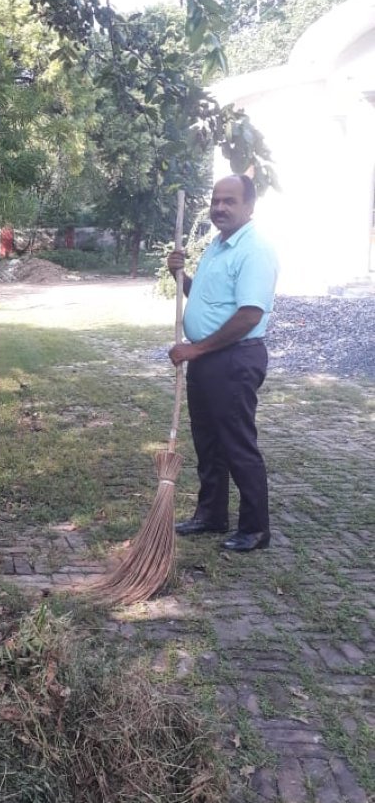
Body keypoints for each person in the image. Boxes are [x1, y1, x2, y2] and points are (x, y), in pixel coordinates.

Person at [167, 174, 279, 553]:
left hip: (233, 359)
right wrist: (181, 278)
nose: (220, 208)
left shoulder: (254, 250)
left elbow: (249, 315)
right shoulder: (219, 245)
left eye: (229, 201)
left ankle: (255, 529)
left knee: (236, 444)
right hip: (208, 359)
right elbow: (208, 297)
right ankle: (211, 514)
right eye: (216, 201)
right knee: (209, 442)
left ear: (249, 206)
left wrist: (195, 351)